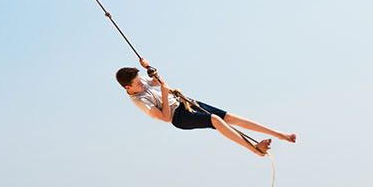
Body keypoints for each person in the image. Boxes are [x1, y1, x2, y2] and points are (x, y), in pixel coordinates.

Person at [116, 66, 295, 157]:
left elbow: (158, 80)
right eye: (138, 83)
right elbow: (165, 118)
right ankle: (256, 150)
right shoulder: (140, 102)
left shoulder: (141, 82)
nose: (142, 83)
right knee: (216, 120)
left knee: (229, 117)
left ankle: (279, 134)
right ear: (128, 87)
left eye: (140, 80)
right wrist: (164, 91)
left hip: (185, 103)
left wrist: (150, 68)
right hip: (180, 117)